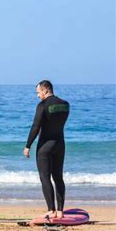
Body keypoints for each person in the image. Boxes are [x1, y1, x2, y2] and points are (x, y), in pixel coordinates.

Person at [23, 80, 70, 220]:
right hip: (60, 144)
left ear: (45, 90)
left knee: (45, 177)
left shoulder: (42, 105)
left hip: (45, 146)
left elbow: (35, 127)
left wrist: (28, 145)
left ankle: (51, 210)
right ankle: (60, 211)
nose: (38, 96)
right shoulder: (65, 105)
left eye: (38, 92)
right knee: (58, 177)